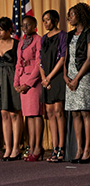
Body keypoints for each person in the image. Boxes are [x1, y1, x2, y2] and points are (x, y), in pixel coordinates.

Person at [14, 15, 43, 162]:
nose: (25, 28)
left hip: (34, 81)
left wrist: (28, 84)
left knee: (36, 114)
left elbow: (39, 64)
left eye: (28, 25)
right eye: (23, 25)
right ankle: (31, 147)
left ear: (35, 25)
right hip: (22, 80)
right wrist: (16, 83)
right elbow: (18, 63)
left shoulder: (39, 40)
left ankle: (38, 147)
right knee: (28, 116)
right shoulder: (21, 41)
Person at [64, 3, 90, 164]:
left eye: (72, 14)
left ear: (80, 15)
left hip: (84, 75)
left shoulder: (88, 33)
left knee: (85, 112)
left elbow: (89, 58)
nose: (69, 18)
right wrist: (65, 76)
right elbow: (65, 58)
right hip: (70, 76)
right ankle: (79, 149)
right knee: (74, 112)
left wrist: (77, 78)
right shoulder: (68, 35)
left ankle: (88, 149)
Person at [39, 10, 67, 162]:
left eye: (48, 20)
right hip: (46, 79)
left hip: (56, 78)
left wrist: (49, 77)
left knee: (58, 111)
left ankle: (62, 148)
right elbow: (41, 60)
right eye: (44, 20)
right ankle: (54, 147)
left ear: (56, 20)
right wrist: (43, 77)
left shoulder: (62, 35)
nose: (45, 23)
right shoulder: (43, 38)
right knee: (49, 113)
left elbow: (63, 57)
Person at [0, 17, 22, 161]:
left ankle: (16, 148)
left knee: (14, 114)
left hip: (12, 78)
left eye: (1, 30)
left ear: (9, 30)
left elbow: (20, 64)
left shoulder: (16, 44)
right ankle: (8, 147)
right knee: (4, 113)